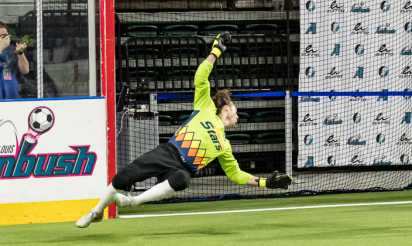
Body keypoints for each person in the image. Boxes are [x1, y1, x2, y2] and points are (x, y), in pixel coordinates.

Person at [76, 32, 292, 228]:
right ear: (226, 106)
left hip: (183, 169)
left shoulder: (225, 145)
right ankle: (96, 211)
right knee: (123, 177)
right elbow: (200, 78)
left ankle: (134, 201)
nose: (238, 114)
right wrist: (215, 51)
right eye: (235, 109)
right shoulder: (205, 106)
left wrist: (264, 182)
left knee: (182, 180)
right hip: (168, 152)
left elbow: (235, 174)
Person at [0, 21, 29, 99]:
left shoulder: (11, 50)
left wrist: (20, 53)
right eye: (0, 37)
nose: (2, 39)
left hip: (12, 96)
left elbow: (25, 70)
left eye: (4, 36)